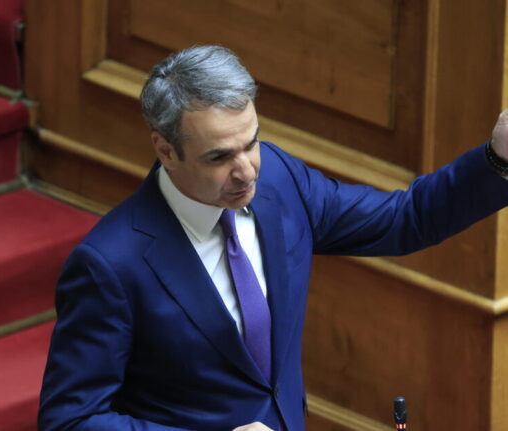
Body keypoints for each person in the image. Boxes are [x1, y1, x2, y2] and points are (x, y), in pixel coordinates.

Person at [38, 45, 508, 431]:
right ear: (166, 150)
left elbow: (406, 219)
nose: (247, 171)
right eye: (220, 157)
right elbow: (70, 421)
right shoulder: (110, 265)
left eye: (252, 142)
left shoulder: (279, 181)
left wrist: (499, 158)